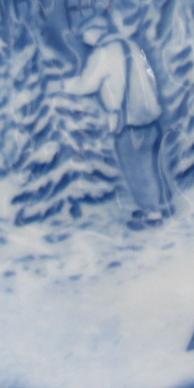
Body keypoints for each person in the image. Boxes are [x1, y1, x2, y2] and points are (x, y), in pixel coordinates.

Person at [63, 13, 171, 228]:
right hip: (151, 114)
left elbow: (86, 84)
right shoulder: (129, 44)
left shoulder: (102, 53)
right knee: (154, 163)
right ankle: (164, 204)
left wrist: (64, 85)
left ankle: (151, 214)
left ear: (93, 32)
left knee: (136, 168)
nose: (84, 39)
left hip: (129, 120)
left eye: (84, 34)